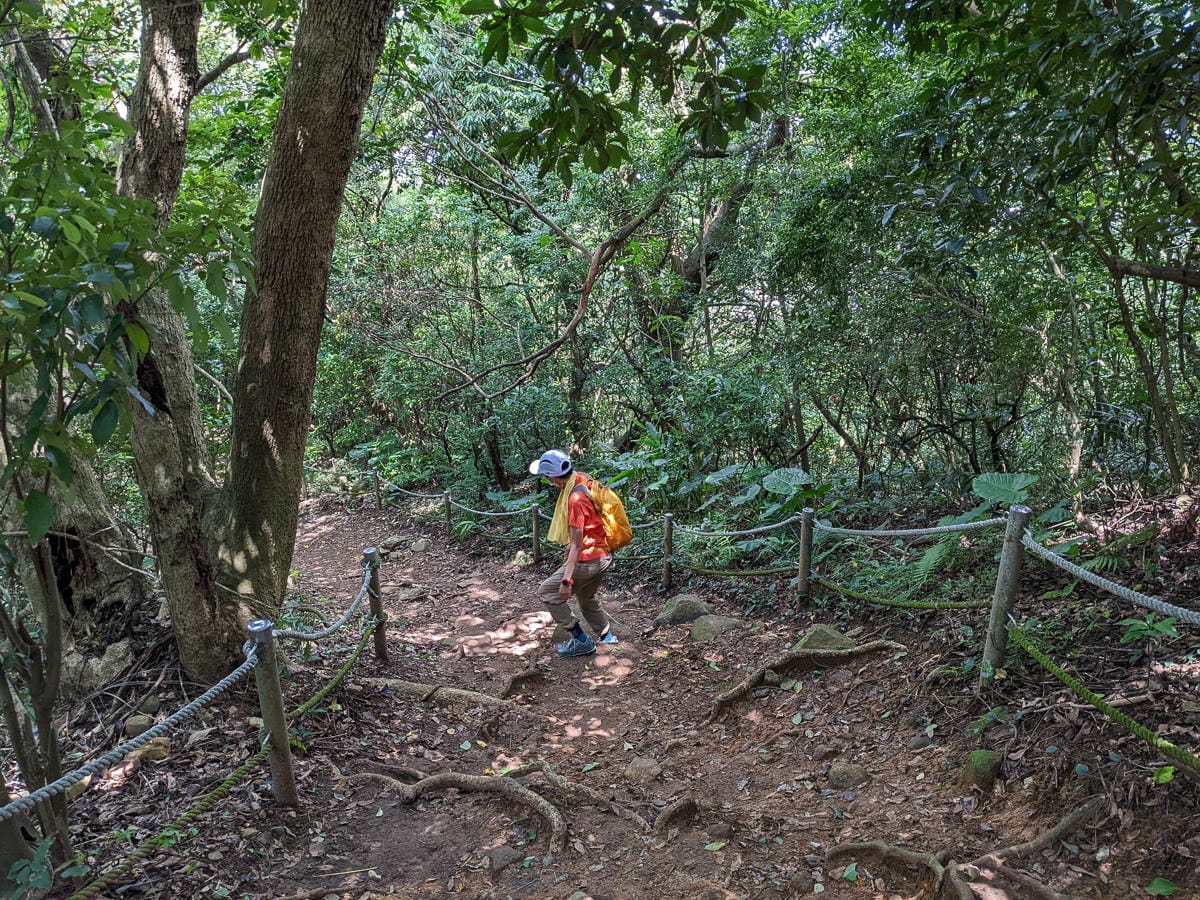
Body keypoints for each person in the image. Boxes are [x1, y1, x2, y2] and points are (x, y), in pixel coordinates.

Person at [528, 449, 619, 658]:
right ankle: (607, 637)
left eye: (545, 475)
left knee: (547, 592)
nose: (546, 479)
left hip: (589, 558)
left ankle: (580, 640)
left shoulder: (575, 498)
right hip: (603, 554)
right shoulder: (582, 478)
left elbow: (577, 545)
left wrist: (566, 580)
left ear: (552, 476)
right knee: (586, 596)